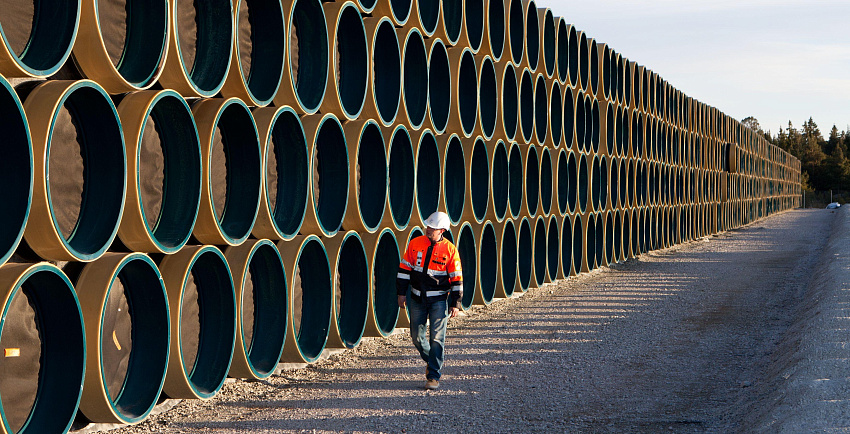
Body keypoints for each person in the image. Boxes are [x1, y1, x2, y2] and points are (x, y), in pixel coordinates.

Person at [396, 211, 463, 390]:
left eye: (432, 228)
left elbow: (457, 279)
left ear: (442, 230)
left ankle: (433, 376)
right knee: (416, 337)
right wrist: (401, 293)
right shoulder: (415, 244)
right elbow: (404, 270)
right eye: (428, 226)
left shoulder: (450, 250)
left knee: (437, 339)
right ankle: (433, 360)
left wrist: (456, 303)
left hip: (439, 301)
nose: (428, 229)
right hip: (417, 298)